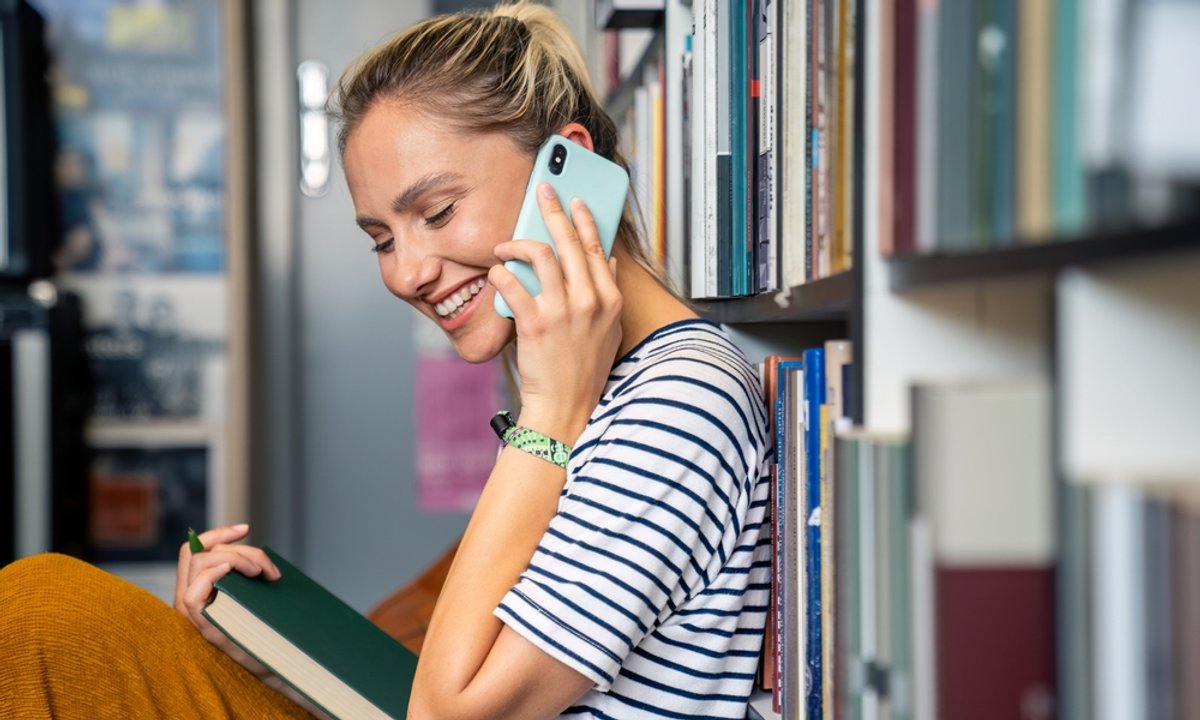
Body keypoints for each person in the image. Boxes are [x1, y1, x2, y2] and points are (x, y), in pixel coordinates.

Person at [0, 3, 771, 718]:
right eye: (381, 239)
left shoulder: (679, 400)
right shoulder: (606, 384)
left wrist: (549, 418)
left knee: (45, 615)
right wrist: (274, 659)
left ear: (565, 169)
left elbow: (448, 712)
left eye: (436, 212)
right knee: (53, 618)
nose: (405, 274)